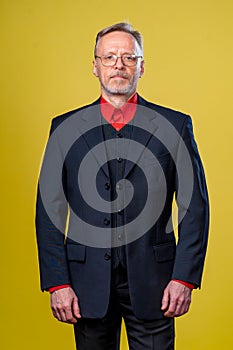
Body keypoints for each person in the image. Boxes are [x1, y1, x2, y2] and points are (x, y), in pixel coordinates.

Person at [36, 22, 209, 350]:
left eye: (129, 57)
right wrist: (57, 281)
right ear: (95, 66)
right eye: (109, 57)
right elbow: (49, 211)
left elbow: (195, 207)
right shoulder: (64, 128)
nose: (119, 65)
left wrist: (184, 277)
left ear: (141, 67)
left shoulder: (175, 125)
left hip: (156, 282)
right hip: (85, 283)